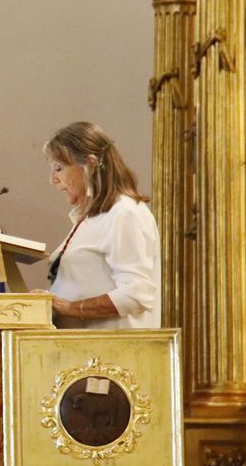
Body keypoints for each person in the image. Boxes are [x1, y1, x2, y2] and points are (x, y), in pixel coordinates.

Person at [43, 121, 161, 329]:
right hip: (79, 346)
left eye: (58, 168)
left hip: (111, 348)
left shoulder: (125, 213)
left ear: (89, 164)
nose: (53, 179)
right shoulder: (92, 217)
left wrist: (68, 307)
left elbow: (135, 294)